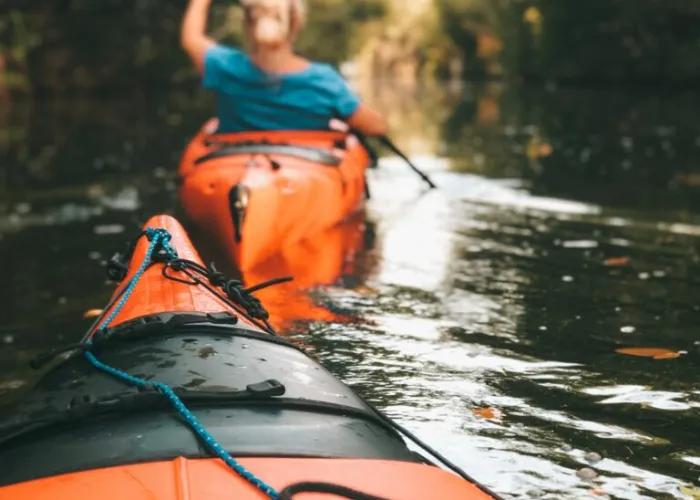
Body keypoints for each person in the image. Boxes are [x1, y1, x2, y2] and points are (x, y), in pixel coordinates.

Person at [180, 0, 388, 136]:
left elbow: (191, 38)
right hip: (306, 175)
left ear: (247, 26)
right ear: (296, 24)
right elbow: (376, 127)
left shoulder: (225, 67)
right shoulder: (324, 82)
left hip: (232, 166)